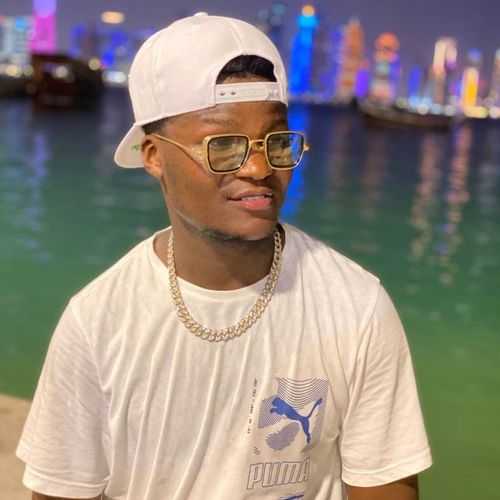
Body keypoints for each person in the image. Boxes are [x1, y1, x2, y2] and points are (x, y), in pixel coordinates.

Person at [16, 13, 432, 500]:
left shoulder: (356, 307)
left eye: (276, 142)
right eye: (225, 146)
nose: (258, 168)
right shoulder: (98, 323)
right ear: (153, 155)